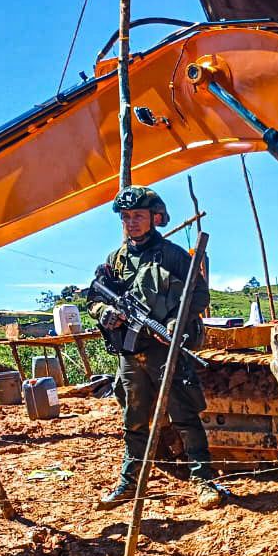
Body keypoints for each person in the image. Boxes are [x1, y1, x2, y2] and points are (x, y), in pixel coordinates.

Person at [90, 185, 229, 510]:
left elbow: (199, 296)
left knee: (185, 415)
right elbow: (94, 297)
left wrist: (173, 324)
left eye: (138, 216)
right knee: (133, 420)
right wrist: (105, 313)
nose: (131, 222)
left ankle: (203, 480)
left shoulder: (174, 256)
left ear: (156, 217)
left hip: (164, 351)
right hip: (130, 352)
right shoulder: (115, 260)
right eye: (126, 217)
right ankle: (130, 483)